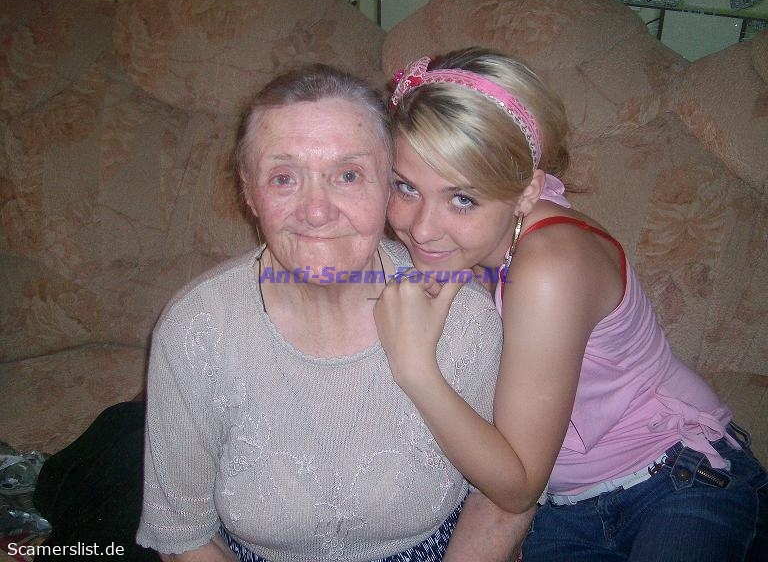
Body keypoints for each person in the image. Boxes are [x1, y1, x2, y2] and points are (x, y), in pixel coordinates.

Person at [375, 47, 768, 562]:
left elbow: (517, 485)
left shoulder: (551, 267)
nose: (422, 228)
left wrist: (414, 368)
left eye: (462, 198)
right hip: (568, 508)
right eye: (406, 187)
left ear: (526, 192)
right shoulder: (477, 242)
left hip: (678, 477)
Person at [136, 63, 534, 562]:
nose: (317, 211)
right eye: (284, 178)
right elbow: (185, 537)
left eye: (348, 175)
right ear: (249, 192)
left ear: (389, 186)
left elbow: (501, 504)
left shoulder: (463, 318)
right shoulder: (196, 331)